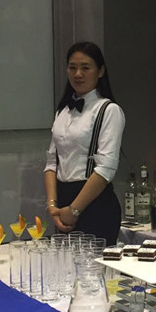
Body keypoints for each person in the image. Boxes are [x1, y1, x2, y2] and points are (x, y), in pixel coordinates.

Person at [44, 42, 125, 245]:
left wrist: (74, 210)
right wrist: (53, 206)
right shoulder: (62, 111)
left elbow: (106, 169)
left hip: (94, 204)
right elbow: (52, 162)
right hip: (63, 202)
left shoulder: (108, 110)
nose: (78, 74)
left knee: (93, 264)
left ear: (100, 71)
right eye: (72, 67)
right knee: (64, 263)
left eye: (85, 68)